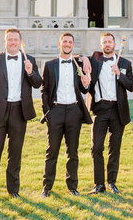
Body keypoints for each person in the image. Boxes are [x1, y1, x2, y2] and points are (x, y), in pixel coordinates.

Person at [0, 28, 42, 200]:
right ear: (5, 42)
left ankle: (13, 190)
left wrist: (30, 71)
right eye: (10, 40)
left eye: (16, 40)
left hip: (19, 112)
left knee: (15, 153)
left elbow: (38, 83)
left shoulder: (29, 60)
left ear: (20, 42)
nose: (13, 42)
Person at [40, 32, 92, 197]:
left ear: (73, 45)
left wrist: (86, 83)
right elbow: (44, 90)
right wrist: (47, 112)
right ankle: (46, 188)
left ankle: (72, 187)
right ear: (60, 43)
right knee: (52, 151)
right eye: (65, 41)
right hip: (55, 111)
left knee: (73, 151)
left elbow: (83, 89)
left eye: (70, 42)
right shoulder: (49, 65)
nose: (67, 44)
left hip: (74, 112)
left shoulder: (77, 64)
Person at [86, 32, 133, 194]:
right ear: (101, 46)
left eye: (109, 42)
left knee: (114, 147)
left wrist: (119, 74)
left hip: (117, 110)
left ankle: (111, 183)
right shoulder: (95, 59)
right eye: (104, 42)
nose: (107, 44)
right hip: (99, 109)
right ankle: (98, 184)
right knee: (96, 147)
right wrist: (85, 59)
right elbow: (77, 58)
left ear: (114, 45)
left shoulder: (125, 63)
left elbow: (132, 86)